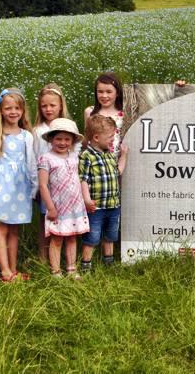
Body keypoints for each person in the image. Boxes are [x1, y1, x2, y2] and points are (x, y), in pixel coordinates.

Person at [0, 88, 37, 282]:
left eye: (17, 108)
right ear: (1, 110)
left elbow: (31, 164)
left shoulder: (26, 136)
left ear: (22, 110)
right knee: (1, 228)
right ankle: (5, 272)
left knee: (14, 229)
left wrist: (34, 187)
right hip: (1, 188)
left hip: (21, 188)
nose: (13, 112)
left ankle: (13, 270)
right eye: (8, 108)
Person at [37, 118, 89, 279]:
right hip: (57, 206)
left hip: (75, 206)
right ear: (51, 139)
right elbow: (43, 185)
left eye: (67, 139)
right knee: (57, 239)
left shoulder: (74, 157)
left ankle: (71, 268)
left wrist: (85, 200)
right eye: (58, 139)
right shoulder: (46, 158)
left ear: (72, 141)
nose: (62, 142)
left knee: (72, 237)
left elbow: (79, 179)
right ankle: (56, 271)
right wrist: (50, 207)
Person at [79, 114, 128, 272]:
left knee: (110, 235)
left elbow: (118, 172)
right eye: (110, 137)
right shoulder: (87, 156)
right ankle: (86, 265)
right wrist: (87, 200)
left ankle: (109, 262)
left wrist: (124, 156)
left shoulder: (109, 154)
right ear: (96, 137)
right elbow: (83, 180)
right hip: (96, 207)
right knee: (92, 237)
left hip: (113, 205)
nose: (113, 140)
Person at [32, 83, 75, 263]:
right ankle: (43, 258)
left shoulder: (68, 127)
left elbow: (74, 154)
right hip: (46, 185)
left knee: (66, 220)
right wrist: (35, 187)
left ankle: (65, 259)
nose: (48, 109)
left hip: (66, 184)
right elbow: (34, 159)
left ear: (60, 105)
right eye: (44, 106)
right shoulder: (38, 131)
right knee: (46, 221)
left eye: (52, 105)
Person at [84, 73, 125, 158]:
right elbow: (87, 138)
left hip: (118, 159)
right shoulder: (90, 112)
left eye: (109, 92)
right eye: (100, 92)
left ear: (117, 93)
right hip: (95, 159)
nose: (104, 95)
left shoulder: (123, 114)